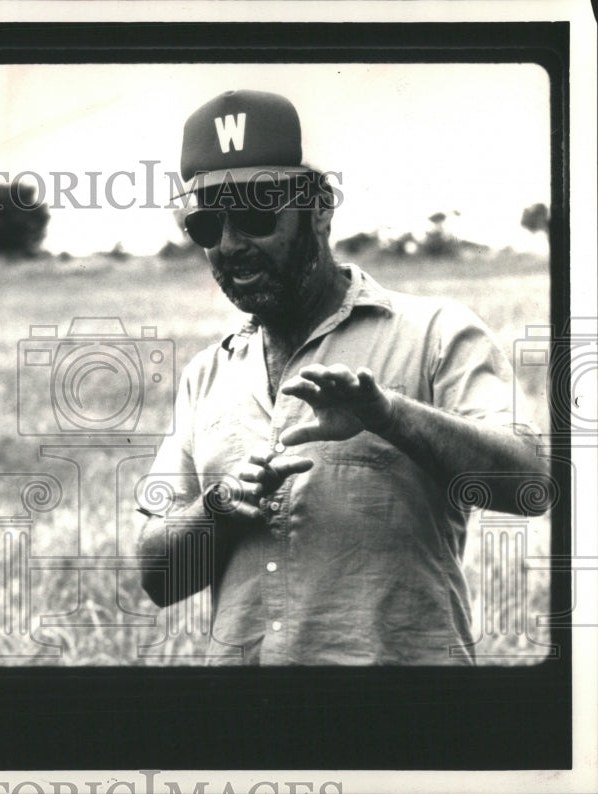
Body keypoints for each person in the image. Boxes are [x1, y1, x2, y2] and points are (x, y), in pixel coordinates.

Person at [137, 90, 549, 666]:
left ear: (320, 209)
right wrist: (218, 507)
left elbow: (532, 484)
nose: (230, 244)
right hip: (246, 730)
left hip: (401, 727)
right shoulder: (208, 374)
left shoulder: (435, 333)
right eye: (208, 224)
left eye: (256, 213)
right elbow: (157, 578)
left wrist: (390, 416)